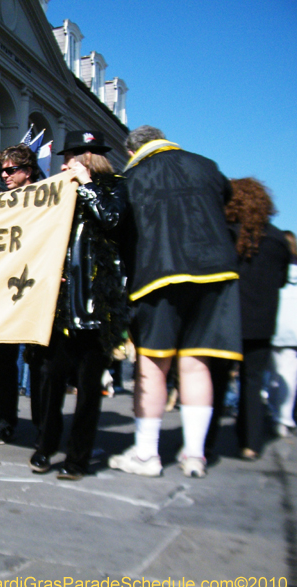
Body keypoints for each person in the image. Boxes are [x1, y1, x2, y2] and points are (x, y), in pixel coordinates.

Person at [108, 126, 242, 479]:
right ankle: (194, 454)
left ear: (132, 149)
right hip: (215, 271)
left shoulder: (132, 176)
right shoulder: (206, 165)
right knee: (196, 364)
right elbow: (224, 201)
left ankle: (146, 454)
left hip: (158, 272)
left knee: (153, 366)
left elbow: (122, 230)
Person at [28, 130, 128, 480]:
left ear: (87, 159)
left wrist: (86, 184)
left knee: (88, 390)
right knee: (50, 381)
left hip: (98, 310)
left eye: (71, 158)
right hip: (61, 308)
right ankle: (45, 446)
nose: (66, 164)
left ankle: (78, 459)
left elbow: (112, 221)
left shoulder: (116, 187)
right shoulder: (60, 192)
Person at [206, 179, 289, 460]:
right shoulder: (278, 239)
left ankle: (205, 442)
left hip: (227, 319)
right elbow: (279, 282)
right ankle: (250, 443)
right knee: (252, 384)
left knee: (215, 382)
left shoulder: (226, 233)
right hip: (262, 322)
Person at [0, 144, 44, 444]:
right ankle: (4, 421)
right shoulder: (1, 202)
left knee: (38, 361)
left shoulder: (48, 199)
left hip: (37, 289)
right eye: (2, 170)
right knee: (6, 362)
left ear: (28, 171)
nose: (4, 175)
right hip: (5, 292)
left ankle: (43, 425)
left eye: (10, 170)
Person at [268, 231, 297, 438]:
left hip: (272, 323)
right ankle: (284, 416)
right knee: (288, 373)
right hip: (293, 327)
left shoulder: (272, 266)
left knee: (272, 373)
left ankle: (275, 411)